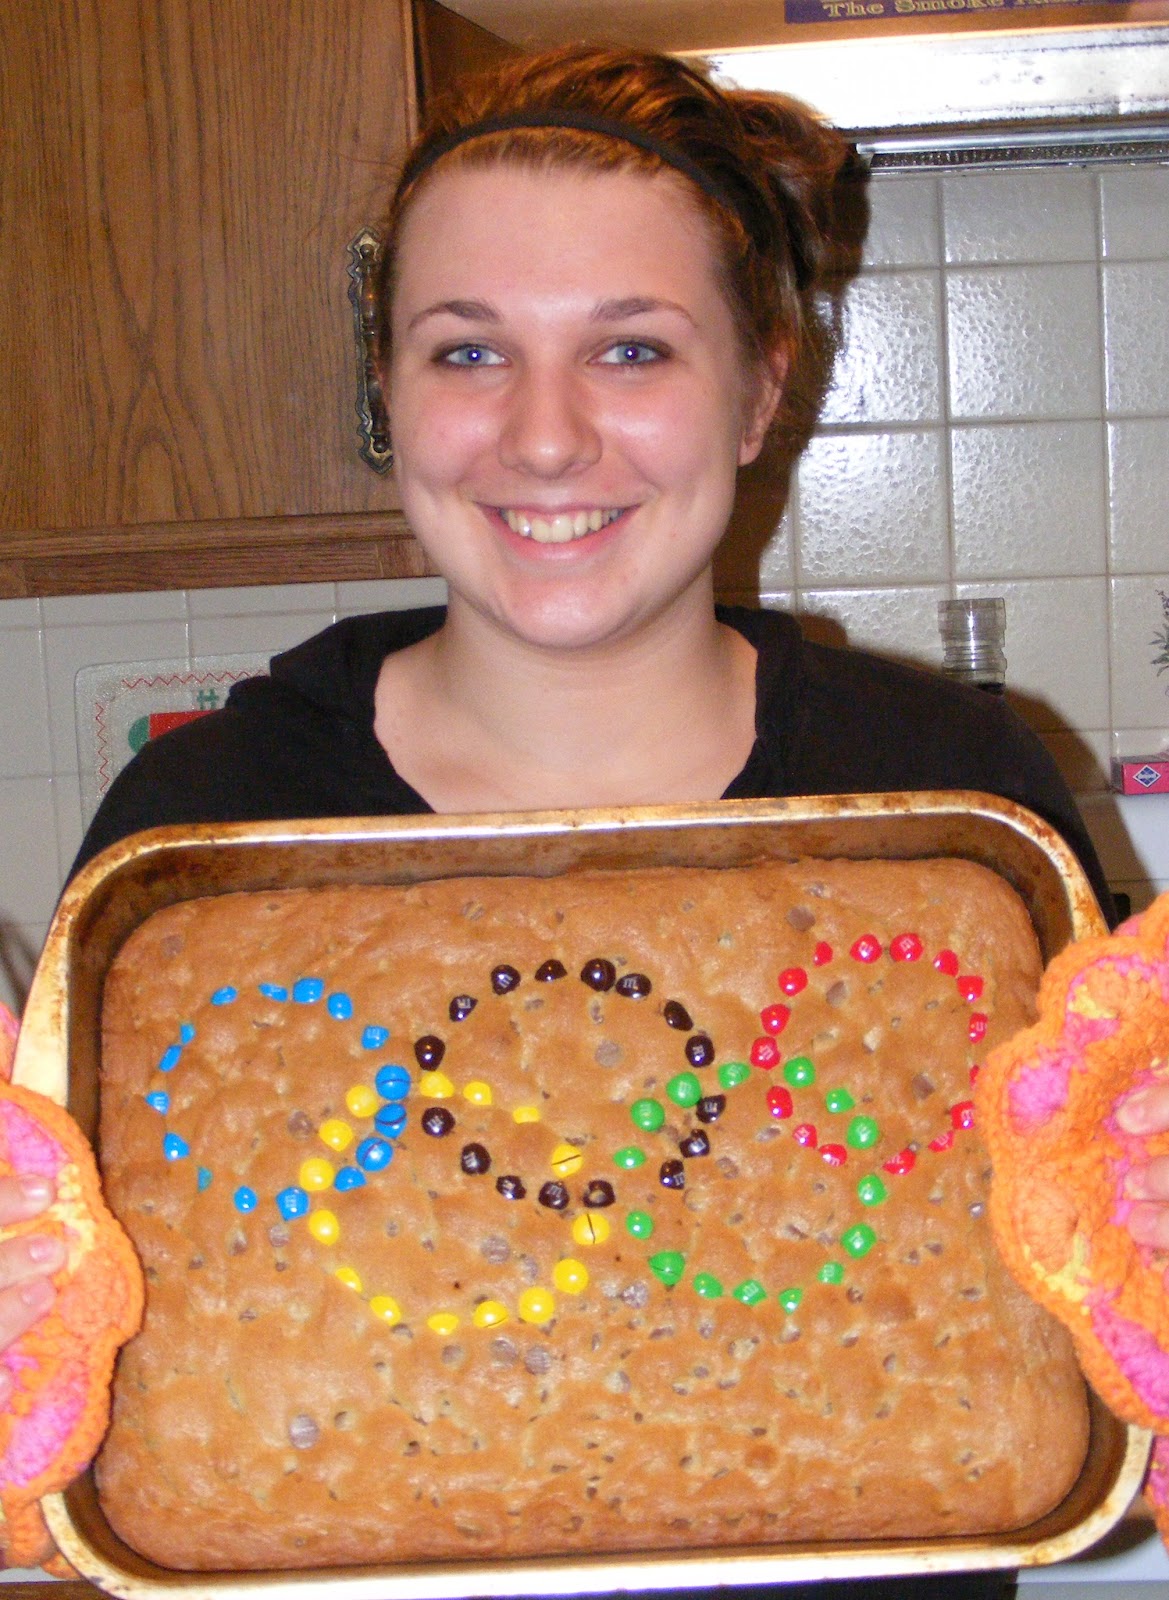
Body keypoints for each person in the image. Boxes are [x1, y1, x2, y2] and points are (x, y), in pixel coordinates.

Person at [1, 44, 1166, 1589]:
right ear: (387, 396)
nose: (544, 439)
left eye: (631, 352)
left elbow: (1097, 1369)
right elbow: (94, 1389)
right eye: (467, 353)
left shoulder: (949, 799)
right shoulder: (210, 828)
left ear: (759, 389)